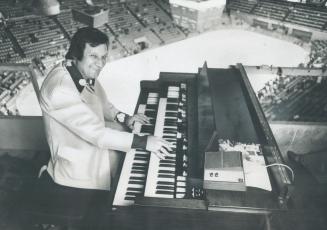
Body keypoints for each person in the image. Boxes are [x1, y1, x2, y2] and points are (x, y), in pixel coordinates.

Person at [34, 27, 172, 229]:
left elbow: (102, 104)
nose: (100, 64)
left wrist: (125, 118)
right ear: (76, 54)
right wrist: (144, 141)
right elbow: (97, 135)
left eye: (104, 57)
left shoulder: (79, 70)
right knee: (123, 204)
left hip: (89, 149)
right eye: (93, 56)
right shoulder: (60, 89)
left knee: (127, 154)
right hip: (77, 169)